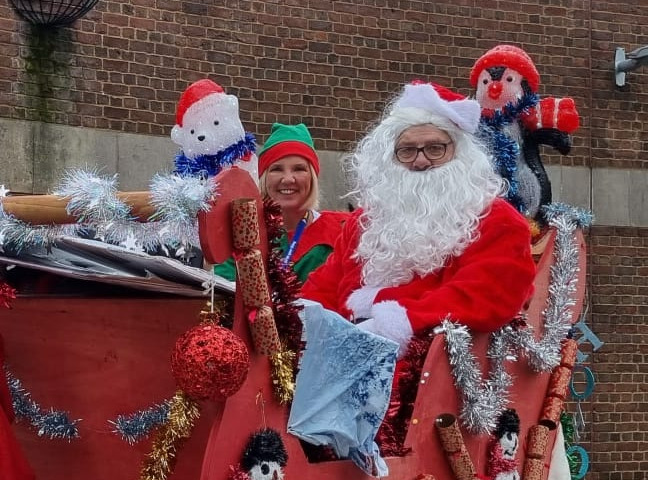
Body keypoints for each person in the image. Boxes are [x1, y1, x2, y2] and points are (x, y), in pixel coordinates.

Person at [300, 81, 536, 356]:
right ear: (390, 159)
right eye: (407, 150)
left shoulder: (497, 220)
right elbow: (323, 288)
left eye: (435, 148)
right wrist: (303, 320)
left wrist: (399, 319)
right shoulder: (364, 223)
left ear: (460, 152)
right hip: (342, 364)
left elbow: (486, 295)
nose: (420, 161)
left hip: (436, 374)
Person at [213, 122, 350, 283]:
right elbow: (223, 292)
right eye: (277, 169)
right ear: (264, 178)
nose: (287, 179)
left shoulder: (339, 232)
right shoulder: (243, 233)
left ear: (312, 177)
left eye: (299, 169)